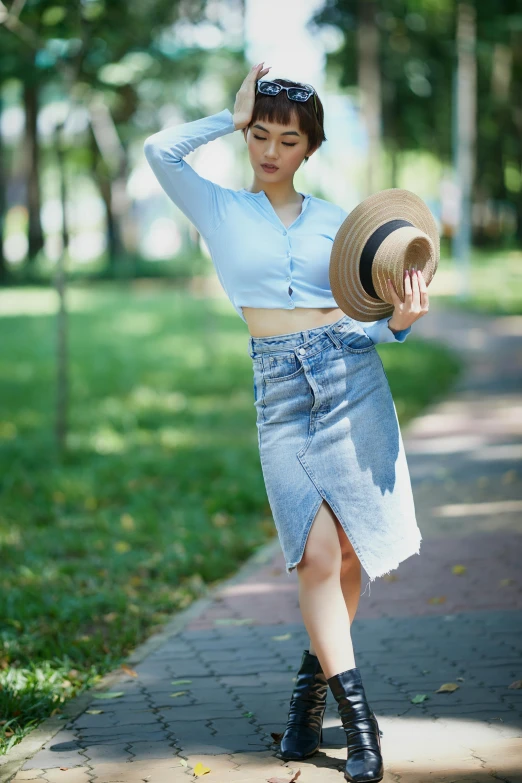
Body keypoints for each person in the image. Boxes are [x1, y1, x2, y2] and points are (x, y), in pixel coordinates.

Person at [144, 62, 429, 783]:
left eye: (288, 139)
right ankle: (360, 725)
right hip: (280, 391)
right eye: (261, 135)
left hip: (349, 379)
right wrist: (229, 114)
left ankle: (309, 698)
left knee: (355, 552)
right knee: (315, 557)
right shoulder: (217, 208)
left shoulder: (338, 222)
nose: (271, 150)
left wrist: (397, 327)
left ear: (309, 148)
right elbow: (157, 152)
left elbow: (366, 319)